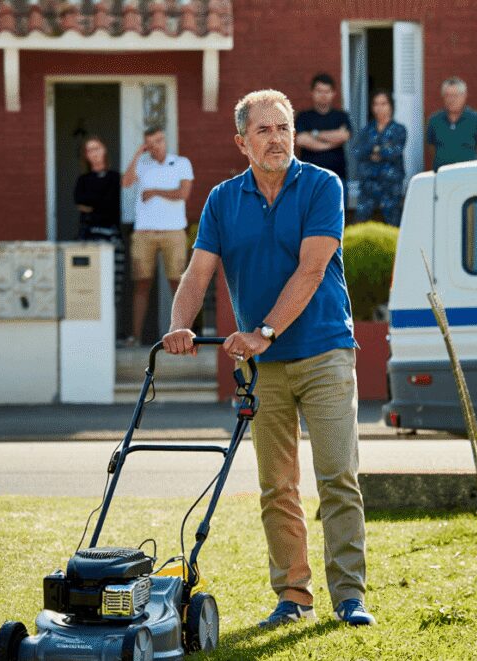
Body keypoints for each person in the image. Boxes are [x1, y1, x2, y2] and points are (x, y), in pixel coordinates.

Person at [161, 89, 375, 629]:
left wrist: (264, 331)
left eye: (283, 128)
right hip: (262, 369)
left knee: (337, 477)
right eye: (264, 130)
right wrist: (178, 325)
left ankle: (349, 597)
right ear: (242, 142)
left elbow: (311, 269)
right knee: (276, 485)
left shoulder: (323, 186)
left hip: (324, 351)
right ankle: (293, 597)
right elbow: (198, 272)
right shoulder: (221, 200)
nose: (277, 138)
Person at [121, 126, 193, 346]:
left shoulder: (181, 163)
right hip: (144, 233)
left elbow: (183, 194)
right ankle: (135, 337)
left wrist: (155, 191)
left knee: (178, 283)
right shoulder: (142, 164)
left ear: (165, 140)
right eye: (151, 143)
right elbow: (125, 183)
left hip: (174, 232)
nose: (157, 145)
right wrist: (137, 154)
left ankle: (184, 334)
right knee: (141, 284)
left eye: (159, 140)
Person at [352, 89, 407, 226]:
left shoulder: (398, 129)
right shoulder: (366, 130)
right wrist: (378, 149)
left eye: (383, 104)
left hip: (390, 185)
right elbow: (357, 152)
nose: (379, 108)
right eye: (376, 104)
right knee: (361, 223)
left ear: (390, 106)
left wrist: (374, 150)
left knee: (393, 224)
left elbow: (395, 152)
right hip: (368, 185)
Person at [295, 73, 352, 187]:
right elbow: (301, 140)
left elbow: (344, 136)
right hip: (309, 178)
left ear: (333, 93)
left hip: (337, 177)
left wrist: (314, 134)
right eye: (319, 91)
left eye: (327, 91)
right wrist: (331, 143)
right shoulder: (304, 117)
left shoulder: (341, 116)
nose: (323, 95)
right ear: (312, 93)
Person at [425, 77, 477, 171]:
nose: (451, 100)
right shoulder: (434, 120)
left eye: (455, 96)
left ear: (464, 96)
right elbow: (431, 147)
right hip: (442, 173)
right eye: (448, 95)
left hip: (468, 174)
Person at [74, 136, 121, 242]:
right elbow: (79, 202)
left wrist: (91, 205)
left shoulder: (114, 177)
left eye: (97, 149)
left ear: (104, 150)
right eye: (89, 150)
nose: (94, 153)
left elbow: (111, 203)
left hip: (110, 232)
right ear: (86, 155)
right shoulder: (83, 179)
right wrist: (101, 199)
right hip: (87, 233)